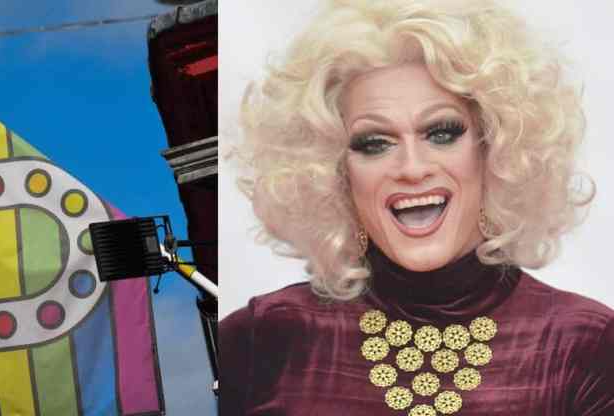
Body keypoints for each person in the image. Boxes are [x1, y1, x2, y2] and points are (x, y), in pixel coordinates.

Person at [219, 0, 614, 415]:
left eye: (441, 133)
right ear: (336, 172)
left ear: (493, 148)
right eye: (374, 143)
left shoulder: (584, 346)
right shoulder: (263, 339)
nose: (411, 168)